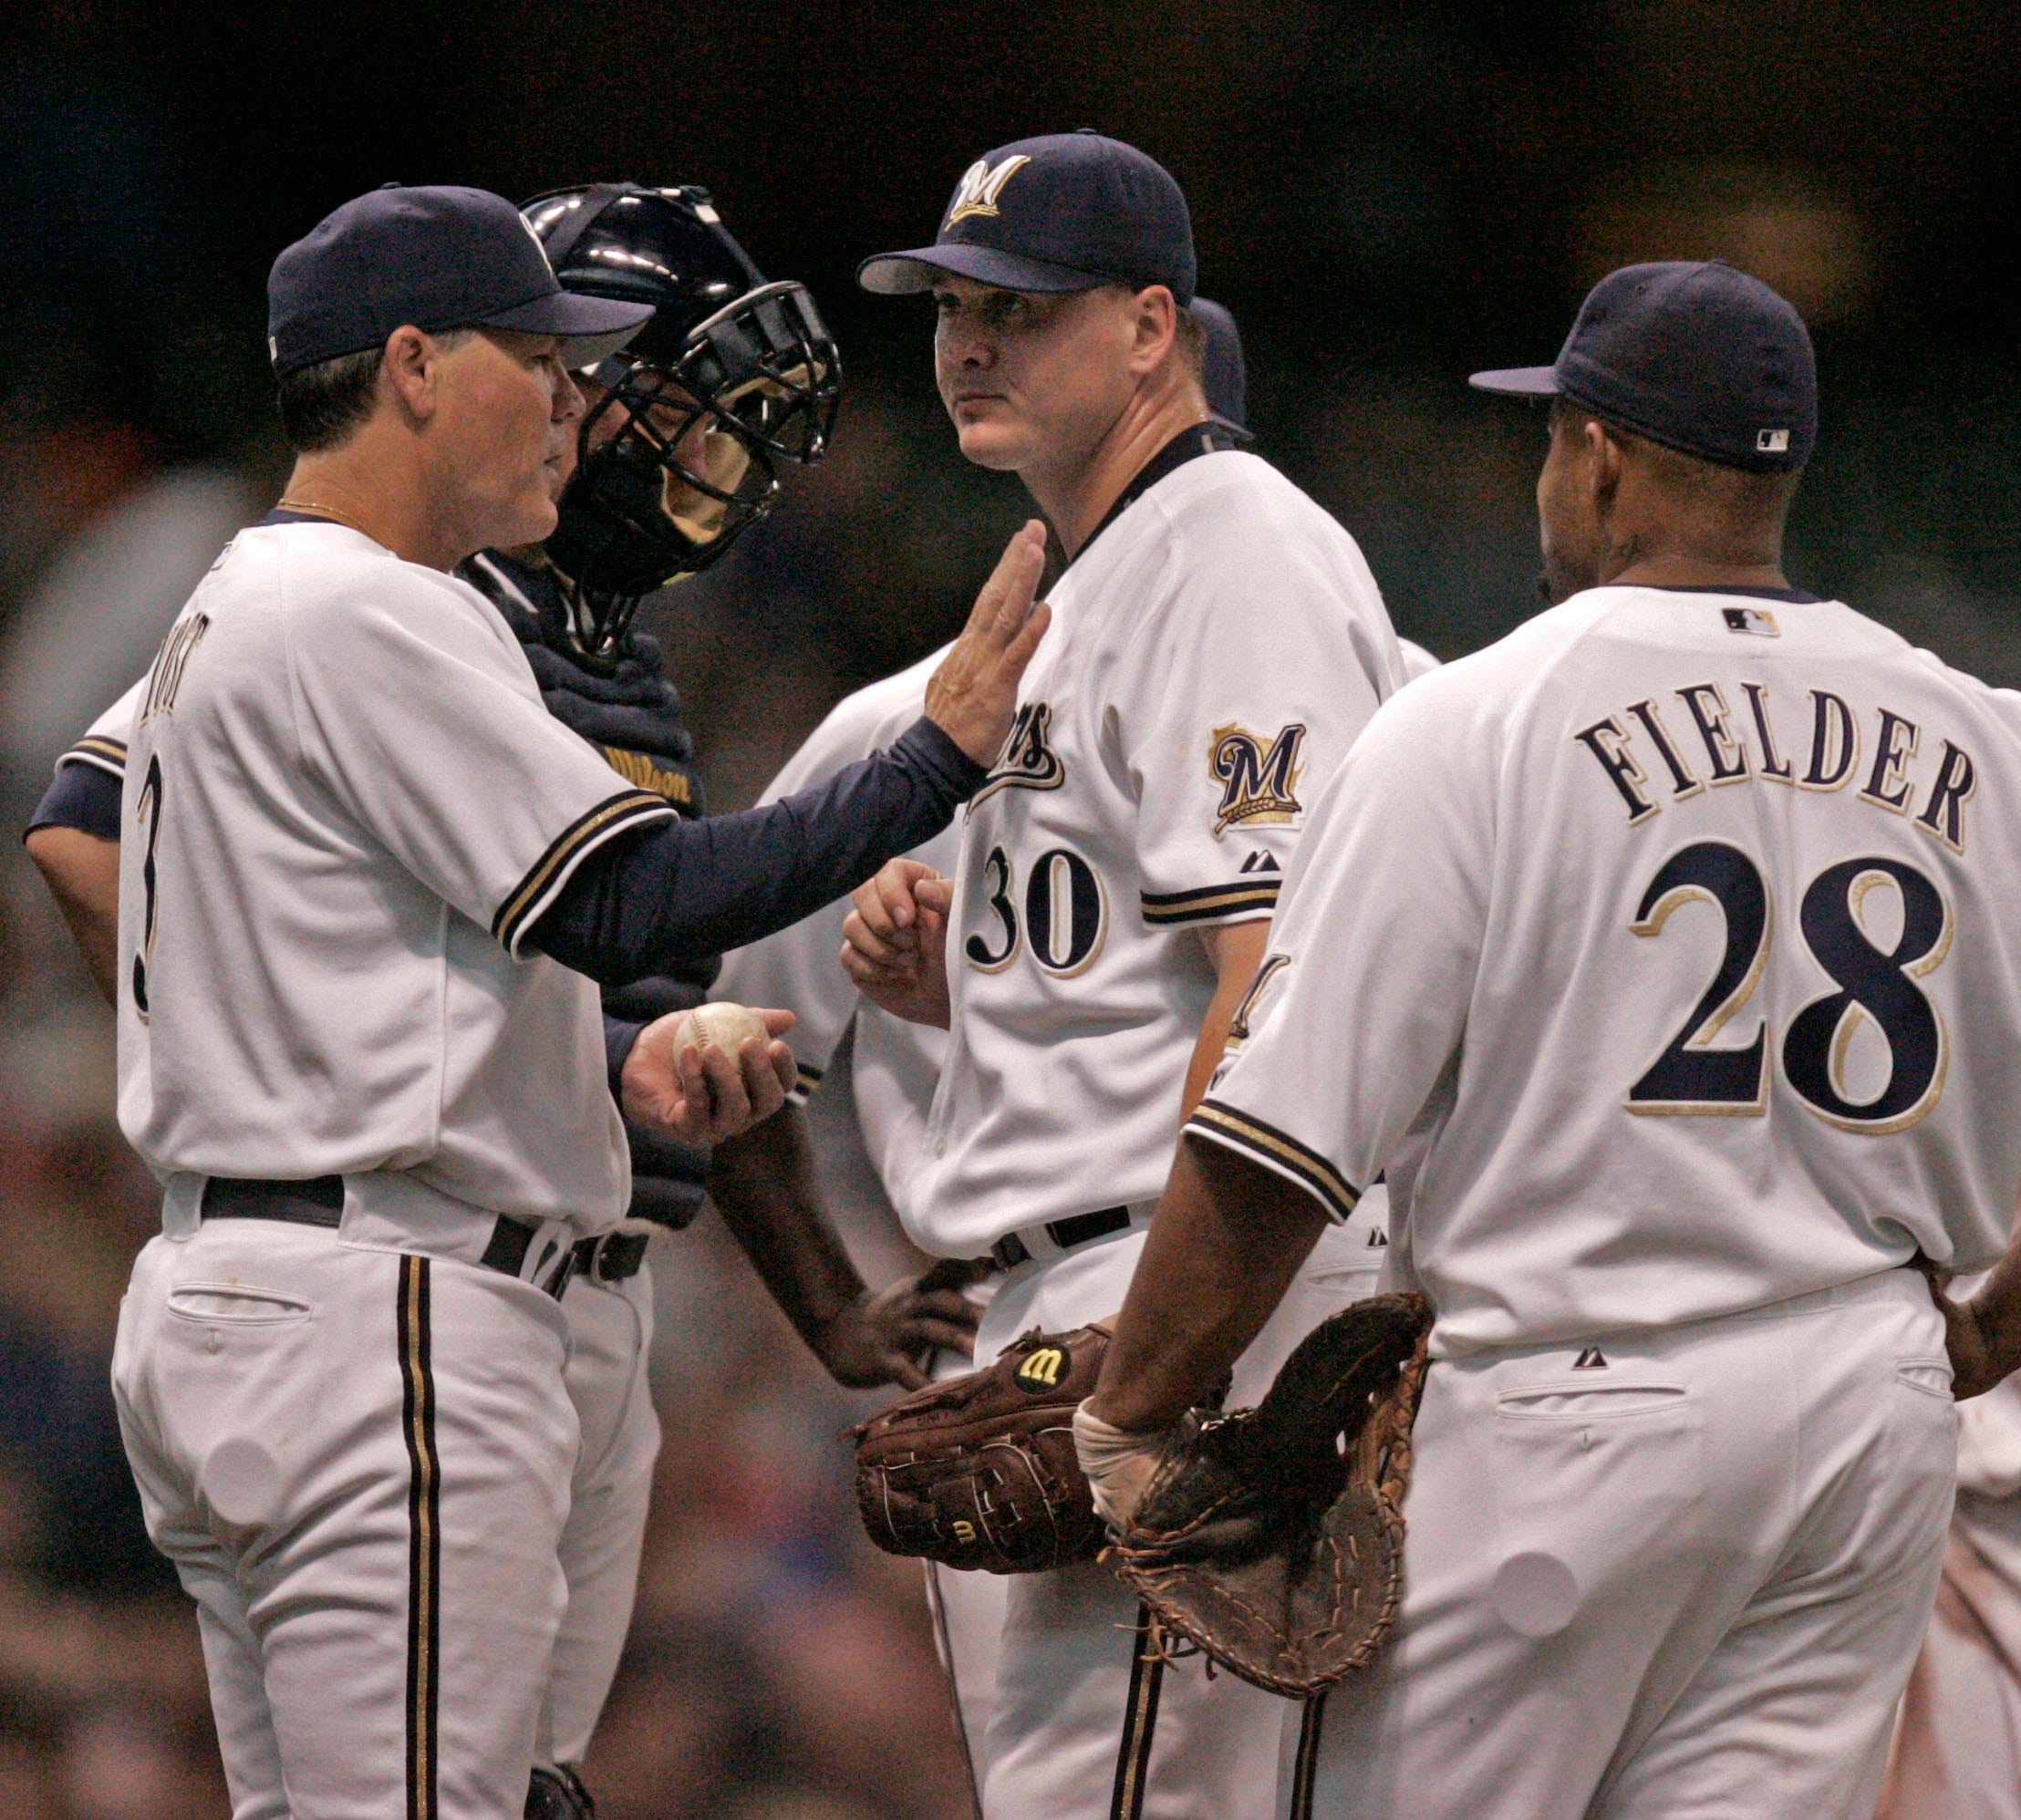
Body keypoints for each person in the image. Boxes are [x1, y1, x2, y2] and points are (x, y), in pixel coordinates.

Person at [80, 183, 1047, 1819]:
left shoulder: (253, 596)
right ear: (413, 367)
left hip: (297, 1271)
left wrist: (487, 1039)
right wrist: (934, 755)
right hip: (383, 1289)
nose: (569, 401)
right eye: (535, 357)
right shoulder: (373, 605)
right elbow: (633, 901)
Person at [1078, 260, 2021, 1819]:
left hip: (1576, 1410)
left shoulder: (1480, 720)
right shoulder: (1981, 733)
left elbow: (1274, 1147)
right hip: (1871, 1419)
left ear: (1596, 452)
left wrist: (1134, 1413)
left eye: (1547, 445)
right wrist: (1992, 1328)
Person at [840, 133, 1406, 1820]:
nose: (968, 341)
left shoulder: (1228, 548)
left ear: (1153, 327)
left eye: (1021, 306)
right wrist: (980, 998)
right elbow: (1165, 964)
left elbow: (1289, 988)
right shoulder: (1085, 577)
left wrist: (1154, 1359)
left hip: (1164, 1305)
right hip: (1089, 1289)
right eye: (950, 305)